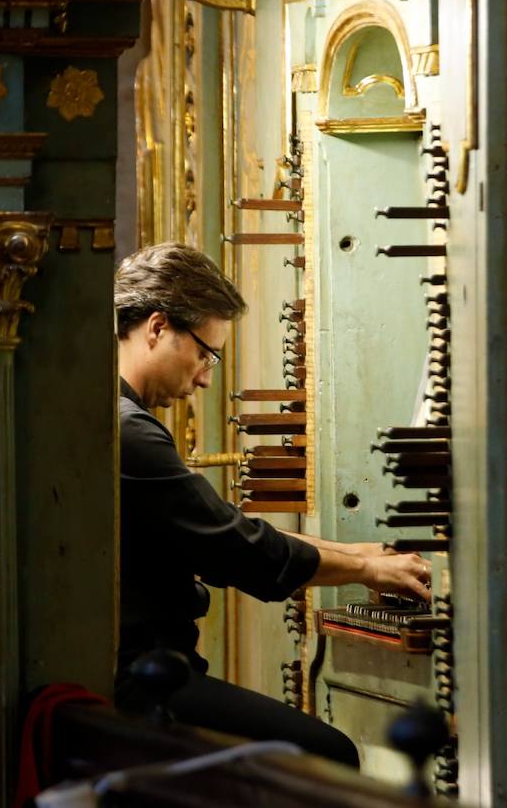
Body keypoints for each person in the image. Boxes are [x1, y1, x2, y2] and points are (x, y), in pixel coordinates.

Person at [113, 242, 432, 769]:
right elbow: (236, 548)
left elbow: (223, 528)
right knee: (326, 756)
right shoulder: (128, 432)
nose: (206, 376)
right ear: (157, 327)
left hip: (154, 669)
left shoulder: (121, 419)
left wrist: (361, 555)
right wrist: (364, 568)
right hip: (139, 681)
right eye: (205, 353)